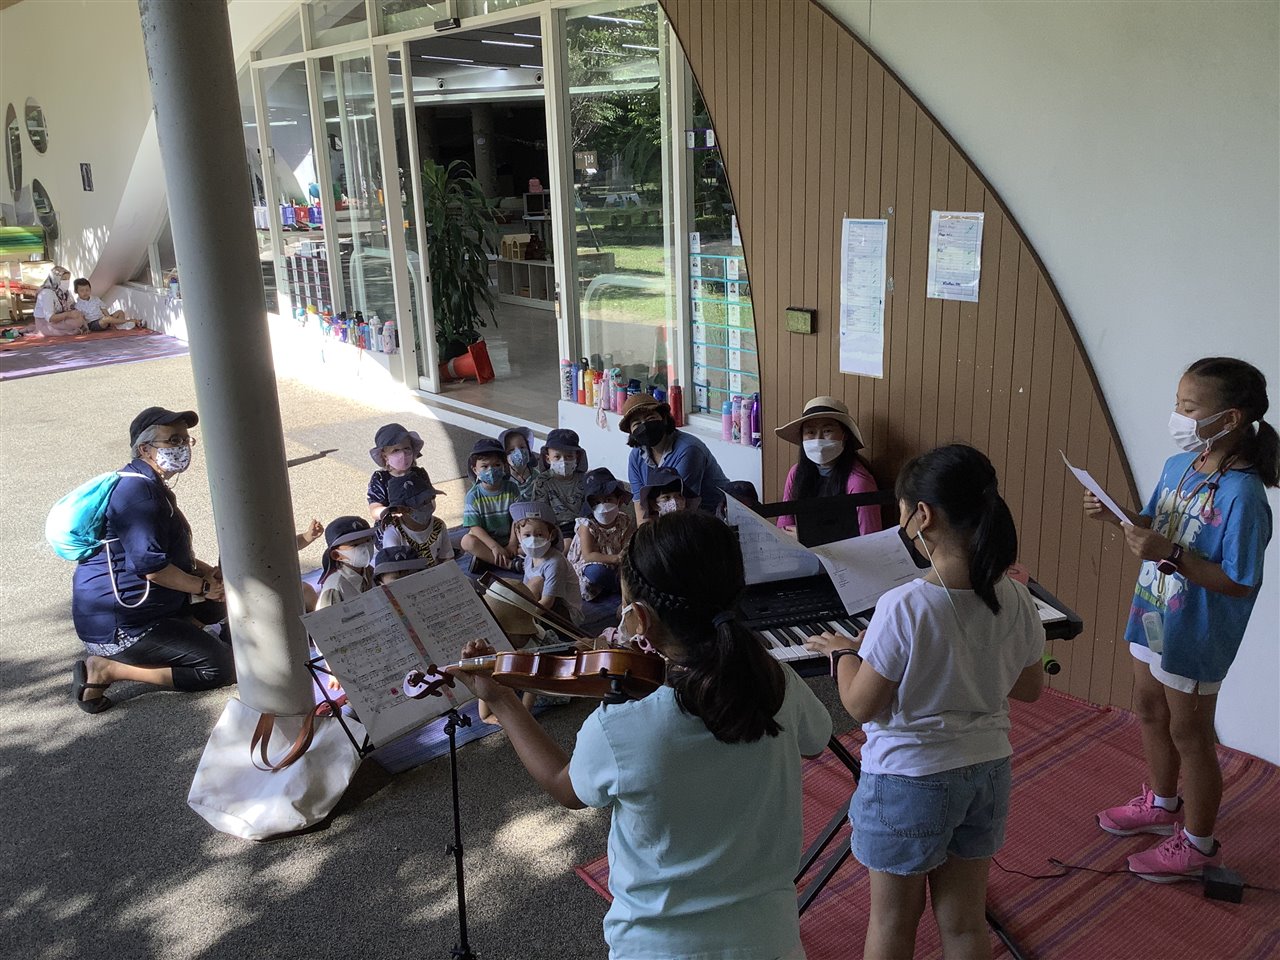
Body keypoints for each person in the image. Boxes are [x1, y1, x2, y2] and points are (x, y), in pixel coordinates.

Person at [447, 513, 832, 960]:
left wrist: (502, 699)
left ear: (641, 619)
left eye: (624, 607)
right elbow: (817, 739)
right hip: (772, 941)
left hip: (658, 947)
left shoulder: (622, 725)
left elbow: (563, 785)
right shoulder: (778, 682)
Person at [803, 444, 1044, 960]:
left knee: (893, 924)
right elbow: (1029, 687)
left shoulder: (905, 605)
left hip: (909, 780)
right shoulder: (1017, 596)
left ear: (923, 516)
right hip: (987, 771)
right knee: (964, 924)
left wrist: (844, 654)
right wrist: (972, 662)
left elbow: (861, 706)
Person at [1088, 357, 1275, 882]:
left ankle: (1199, 845)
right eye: (1178, 403)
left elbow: (1240, 581)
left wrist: (1168, 552)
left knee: (1191, 733)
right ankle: (1162, 804)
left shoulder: (1244, 495)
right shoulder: (1181, 466)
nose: (1177, 416)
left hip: (1196, 632)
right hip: (1153, 610)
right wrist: (1118, 515)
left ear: (1230, 418)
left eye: (1188, 408)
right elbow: (1156, 523)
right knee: (1149, 709)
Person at [70, 406, 232, 713]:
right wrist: (203, 586)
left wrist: (208, 574)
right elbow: (151, 567)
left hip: (147, 608)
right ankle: (106, 669)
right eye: (173, 441)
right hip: (123, 627)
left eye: (186, 440)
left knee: (222, 599)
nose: (182, 447)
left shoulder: (148, 484)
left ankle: (181, 642)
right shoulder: (138, 494)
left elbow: (169, 554)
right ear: (145, 449)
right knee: (220, 668)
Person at [775, 396, 883, 536]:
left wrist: (809, 536)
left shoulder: (859, 483)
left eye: (827, 431)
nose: (818, 439)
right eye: (810, 432)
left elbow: (869, 539)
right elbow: (784, 527)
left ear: (845, 435)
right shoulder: (796, 473)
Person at [620, 393, 730, 523]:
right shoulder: (636, 457)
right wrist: (645, 534)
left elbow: (683, 508)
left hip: (712, 519)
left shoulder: (689, 450)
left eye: (650, 418)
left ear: (664, 419)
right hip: (673, 520)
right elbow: (641, 511)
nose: (644, 426)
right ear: (631, 433)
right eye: (637, 424)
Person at [566, 467, 634, 601]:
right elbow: (588, 556)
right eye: (597, 502)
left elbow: (627, 543)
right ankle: (620, 587)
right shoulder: (587, 524)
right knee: (597, 573)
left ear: (619, 500)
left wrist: (624, 557)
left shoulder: (623, 519)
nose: (603, 506)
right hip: (590, 566)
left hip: (617, 564)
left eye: (608, 499)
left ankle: (620, 586)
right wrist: (615, 558)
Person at [511, 501, 580, 623]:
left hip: (565, 615)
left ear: (551, 535)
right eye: (527, 535)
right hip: (541, 606)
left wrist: (523, 620)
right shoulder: (529, 557)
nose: (533, 540)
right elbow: (526, 589)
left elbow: (547, 602)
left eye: (539, 535)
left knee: (537, 581)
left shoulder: (555, 562)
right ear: (518, 534)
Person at [460, 437, 521, 571]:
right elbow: (474, 526)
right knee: (467, 541)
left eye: (497, 465)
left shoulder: (512, 488)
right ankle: (509, 565)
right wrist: (494, 546)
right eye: (485, 466)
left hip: (512, 538)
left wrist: (512, 542)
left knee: (534, 535)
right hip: (486, 542)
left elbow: (518, 518)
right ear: (475, 470)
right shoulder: (473, 496)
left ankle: (490, 560)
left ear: (504, 466)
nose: (491, 470)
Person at [367, 423, 437, 524]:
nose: (403, 454)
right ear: (385, 456)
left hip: (419, 523)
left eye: (406, 448)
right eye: (395, 450)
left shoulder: (419, 474)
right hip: (391, 525)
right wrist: (391, 512)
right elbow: (374, 509)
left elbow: (431, 500)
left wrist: (424, 508)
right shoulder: (380, 478)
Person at [379, 475, 453, 568]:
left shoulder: (438, 525)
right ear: (400, 510)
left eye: (430, 499)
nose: (429, 506)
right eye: (421, 503)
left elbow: (447, 558)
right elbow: (394, 569)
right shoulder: (393, 532)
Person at [529, 428, 588, 534]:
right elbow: (540, 512)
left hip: (582, 525)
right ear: (548, 459)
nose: (563, 461)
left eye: (569, 456)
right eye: (557, 457)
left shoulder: (583, 480)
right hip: (554, 527)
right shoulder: (543, 482)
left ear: (577, 457)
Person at [315, 516, 376, 609]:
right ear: (336, 555)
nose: (365, 548)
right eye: (355, 545)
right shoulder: (335, 587)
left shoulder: (369, 572)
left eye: (368, 540)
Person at [33, 265, 86, 337]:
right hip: (46, 323)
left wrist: (77, 313)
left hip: (60, 320)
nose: (66, 282)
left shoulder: (65, 292)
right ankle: (71, 330)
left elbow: (72, 307)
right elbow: (50, 318)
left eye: (68, 279)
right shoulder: (47, 293)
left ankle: (72, 328)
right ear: (55, 279)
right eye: (64, 279)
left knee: (79, 318)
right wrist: (68, 314)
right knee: (75, 322)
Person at [72, 278, 137, 331]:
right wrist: (86, 328)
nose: (85, 292)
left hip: (104, 319)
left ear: (90, 289)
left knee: (120, 312)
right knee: (106, 319)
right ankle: (129, 321)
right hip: (93, 324)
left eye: (87, 290)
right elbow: (82, 319)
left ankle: (120, 326)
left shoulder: (95, 299)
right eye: (82, 291)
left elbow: (103, 309)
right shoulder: (78, 305)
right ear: (76, 291)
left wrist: (110, 318)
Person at [501, 426, 541, 499]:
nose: (518, 452)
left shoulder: (537, 476)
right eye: (511, 450)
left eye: (522, 447)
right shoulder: (503, 479)